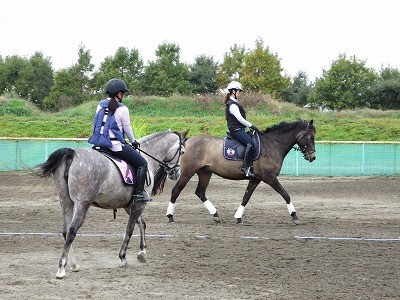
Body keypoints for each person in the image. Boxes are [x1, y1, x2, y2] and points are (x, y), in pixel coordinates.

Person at [89, 78, 151, 202]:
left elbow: (96, 124)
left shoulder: (100, 105)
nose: (124, 96)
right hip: (114, 145)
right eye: (123, 93)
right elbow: (127, 128)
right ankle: (138, 194)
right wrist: (133, 141)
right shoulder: (123, 109)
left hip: (98, 144)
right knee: (142, 163)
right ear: (119, 93)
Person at [224, 80, 259, 178]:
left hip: (239, 129)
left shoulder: (234, 103)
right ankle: (246, 168)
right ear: (233, 91)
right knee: (250, 144)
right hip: (236, 130)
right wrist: (250, 125)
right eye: (239, 91)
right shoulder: (232, 105)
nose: (240, 93)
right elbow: (239, 118)